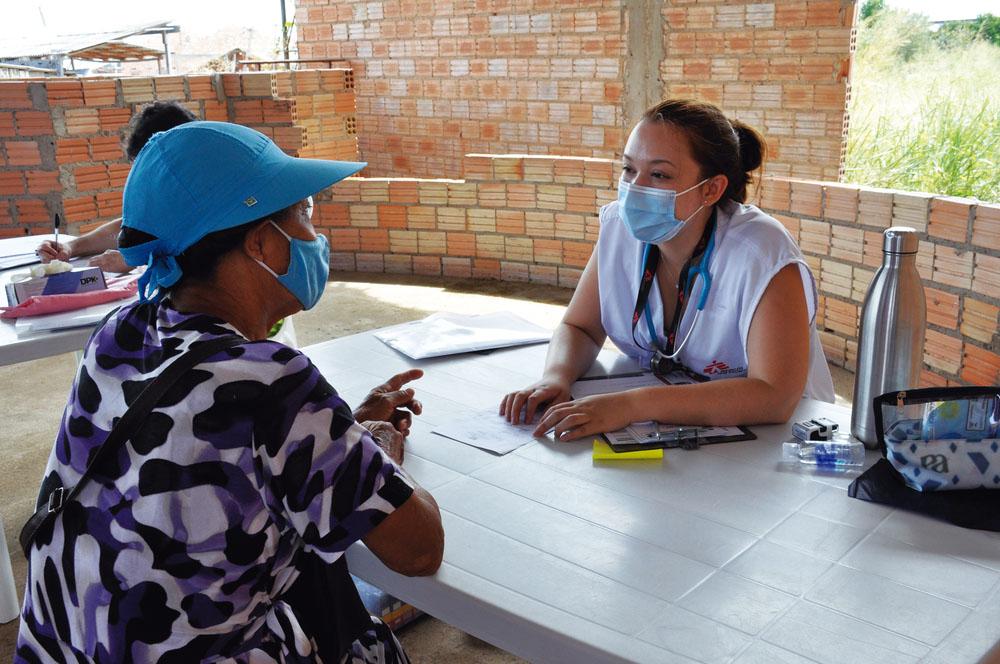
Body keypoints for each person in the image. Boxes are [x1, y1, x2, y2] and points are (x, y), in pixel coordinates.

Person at [16, 121, 444, 663]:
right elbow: (419, 548)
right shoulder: (269, 380)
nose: (315, 236)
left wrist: (341, 430)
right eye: (304, 215)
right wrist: (377, 445)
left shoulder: (121, 332)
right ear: (262, 241)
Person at [501, 99, 834, 441]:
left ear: (711, 189)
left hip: (787, 446)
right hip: (679, 436)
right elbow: (580, 327)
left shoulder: (762, 253)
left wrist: (632, 405)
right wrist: (556, 376)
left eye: (659, 174)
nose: (635, 188)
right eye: (629, 169)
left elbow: (774, 396)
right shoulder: (620, 228)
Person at [36, 101, 197, 273]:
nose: (144, 179)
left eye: (148, 168)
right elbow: (134, 227)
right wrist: (70, 247)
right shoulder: (175, 188)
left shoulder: (209, 187)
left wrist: (138, 260)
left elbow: (208, 249)